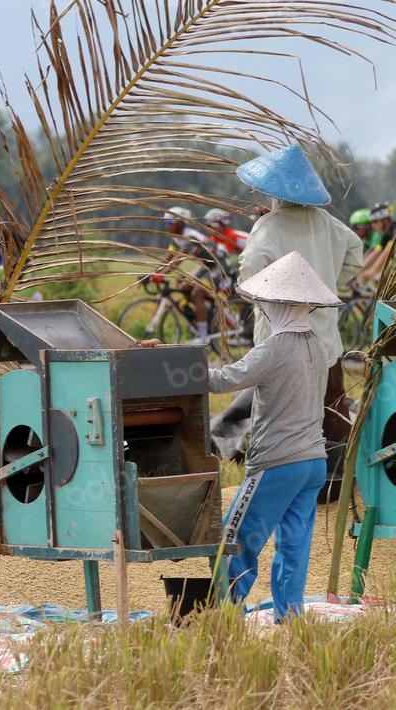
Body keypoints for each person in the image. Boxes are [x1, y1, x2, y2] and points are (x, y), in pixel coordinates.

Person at [142, 252, 341, 622]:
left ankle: (220, 614)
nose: (261, 309)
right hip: (314, 461)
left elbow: (222, 380)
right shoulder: (317, 343)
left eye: (265, 303)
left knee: (236, 541)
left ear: (277, 305)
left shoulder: (275, 347)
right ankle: (290, 617)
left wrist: (169, 356)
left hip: (277, 463)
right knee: (294, 545)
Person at [236, 144, 364, 498]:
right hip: (324, 339)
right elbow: (355, 253)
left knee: (279, 412)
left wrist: (263, 296)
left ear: (274, 193)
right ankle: (335, 484)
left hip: (279, 339)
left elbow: (249, 271)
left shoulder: (268, 226)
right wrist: (328, 282)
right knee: (332, 407)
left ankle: (277, 484)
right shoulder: (327, 222)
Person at [151, 206, 225, 340]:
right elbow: (167, 258)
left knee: (197, 293)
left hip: (219, 266)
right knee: (183, 286)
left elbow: (177, 260)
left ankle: (203, 335)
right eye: (165, 223)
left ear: (179, 223)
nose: (167, 226)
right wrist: (151, 273)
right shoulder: (177, 238)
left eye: (169, 223)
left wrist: (162, 274)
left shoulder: (189, 236)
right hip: (206, 266)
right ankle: (205, 313)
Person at [359, 202, 395, 283]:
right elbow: (376, 252)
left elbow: (387, 252)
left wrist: (372, 272)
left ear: (385, 220)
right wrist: (357, 271)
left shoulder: (394, 231)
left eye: (375, 222)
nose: (372, 225)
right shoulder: (386, 235)